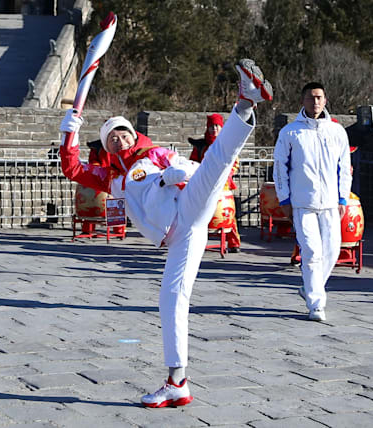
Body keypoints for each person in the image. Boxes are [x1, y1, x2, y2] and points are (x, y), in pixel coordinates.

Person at [59, 59, 272, 407]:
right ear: (106, 146)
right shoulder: (113, 180)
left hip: (187, 205)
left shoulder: (153, 153)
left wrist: (172, 174)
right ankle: (177, 381)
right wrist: (69, 131)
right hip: (180, 236)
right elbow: (72, 168)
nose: (119, 137)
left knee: (216, 163)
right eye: (111, 136)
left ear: (134, 134)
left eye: (123, 132)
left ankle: (246, 102)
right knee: (171, 300)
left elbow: (189, 167)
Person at [273, 82, 352, 322]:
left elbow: (344, 168)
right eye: (310, 97)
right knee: (311, 251)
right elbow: (280, 168)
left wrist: (342, 198)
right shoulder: (290, 132)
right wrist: (284, 198)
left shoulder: (337, 132)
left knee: (332, 251)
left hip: (330, 202)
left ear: (325, 101)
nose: (315, 102)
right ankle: (317, 304)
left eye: (319, 98)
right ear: (303, 100)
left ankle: (309, 287)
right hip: (302, 202)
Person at [188, 113, 242, 252]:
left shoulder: (227, 144)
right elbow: (193, 162)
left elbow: (235, 163)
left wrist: (227, 174)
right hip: (204, 183)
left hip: (223, 184)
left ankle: (233, 242)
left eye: (217, 126)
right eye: (211, 126)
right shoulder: (200, 146)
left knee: (227, 213)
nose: (214, 129)